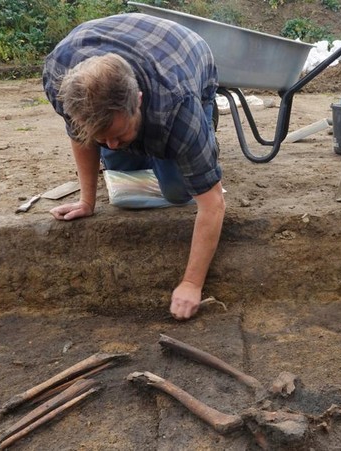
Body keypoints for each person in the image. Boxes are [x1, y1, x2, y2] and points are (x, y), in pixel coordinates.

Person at [42, 13, 224, 321]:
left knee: (179, 191)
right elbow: (79, 134)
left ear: (137, 100)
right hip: (108, 48)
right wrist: (88, 200)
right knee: (119, 158)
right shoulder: (59, 77)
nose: (109, 144)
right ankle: (143, 143)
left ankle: (199, 139)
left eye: (118, 134)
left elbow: (214, 205)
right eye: (103, 137)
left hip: (186, 54)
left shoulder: (177, 105)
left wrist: (191, 283)